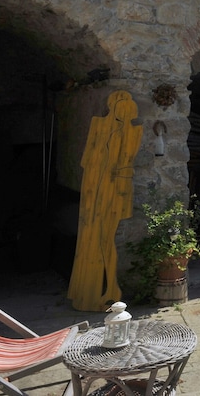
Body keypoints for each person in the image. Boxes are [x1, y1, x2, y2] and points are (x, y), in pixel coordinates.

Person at [68, 91, 143, 311]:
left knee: (105, 240)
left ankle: (109, 291)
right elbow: (86, 160)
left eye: (127, 106)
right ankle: (93, 291)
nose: (124, 109)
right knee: (92, 239)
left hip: (115, 192)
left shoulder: (133, 132)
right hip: (94, 189)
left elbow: (125, 163)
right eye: (121, 104)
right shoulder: (99, 126)